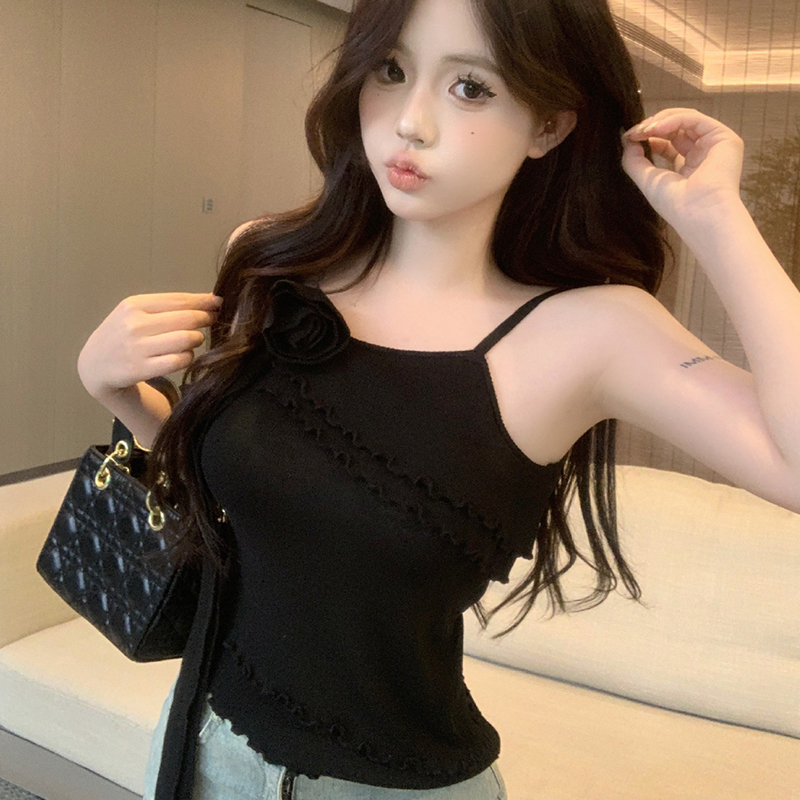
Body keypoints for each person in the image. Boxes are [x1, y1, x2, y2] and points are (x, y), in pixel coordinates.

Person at [77, 0, 800, 797]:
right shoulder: (275, 259)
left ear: (549, 126)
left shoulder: (586, 335)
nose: (409, 123)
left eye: (470, 88)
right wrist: (123, 396)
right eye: (391, 70)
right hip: (199, 748)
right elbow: (233, 496)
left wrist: (718, 218)